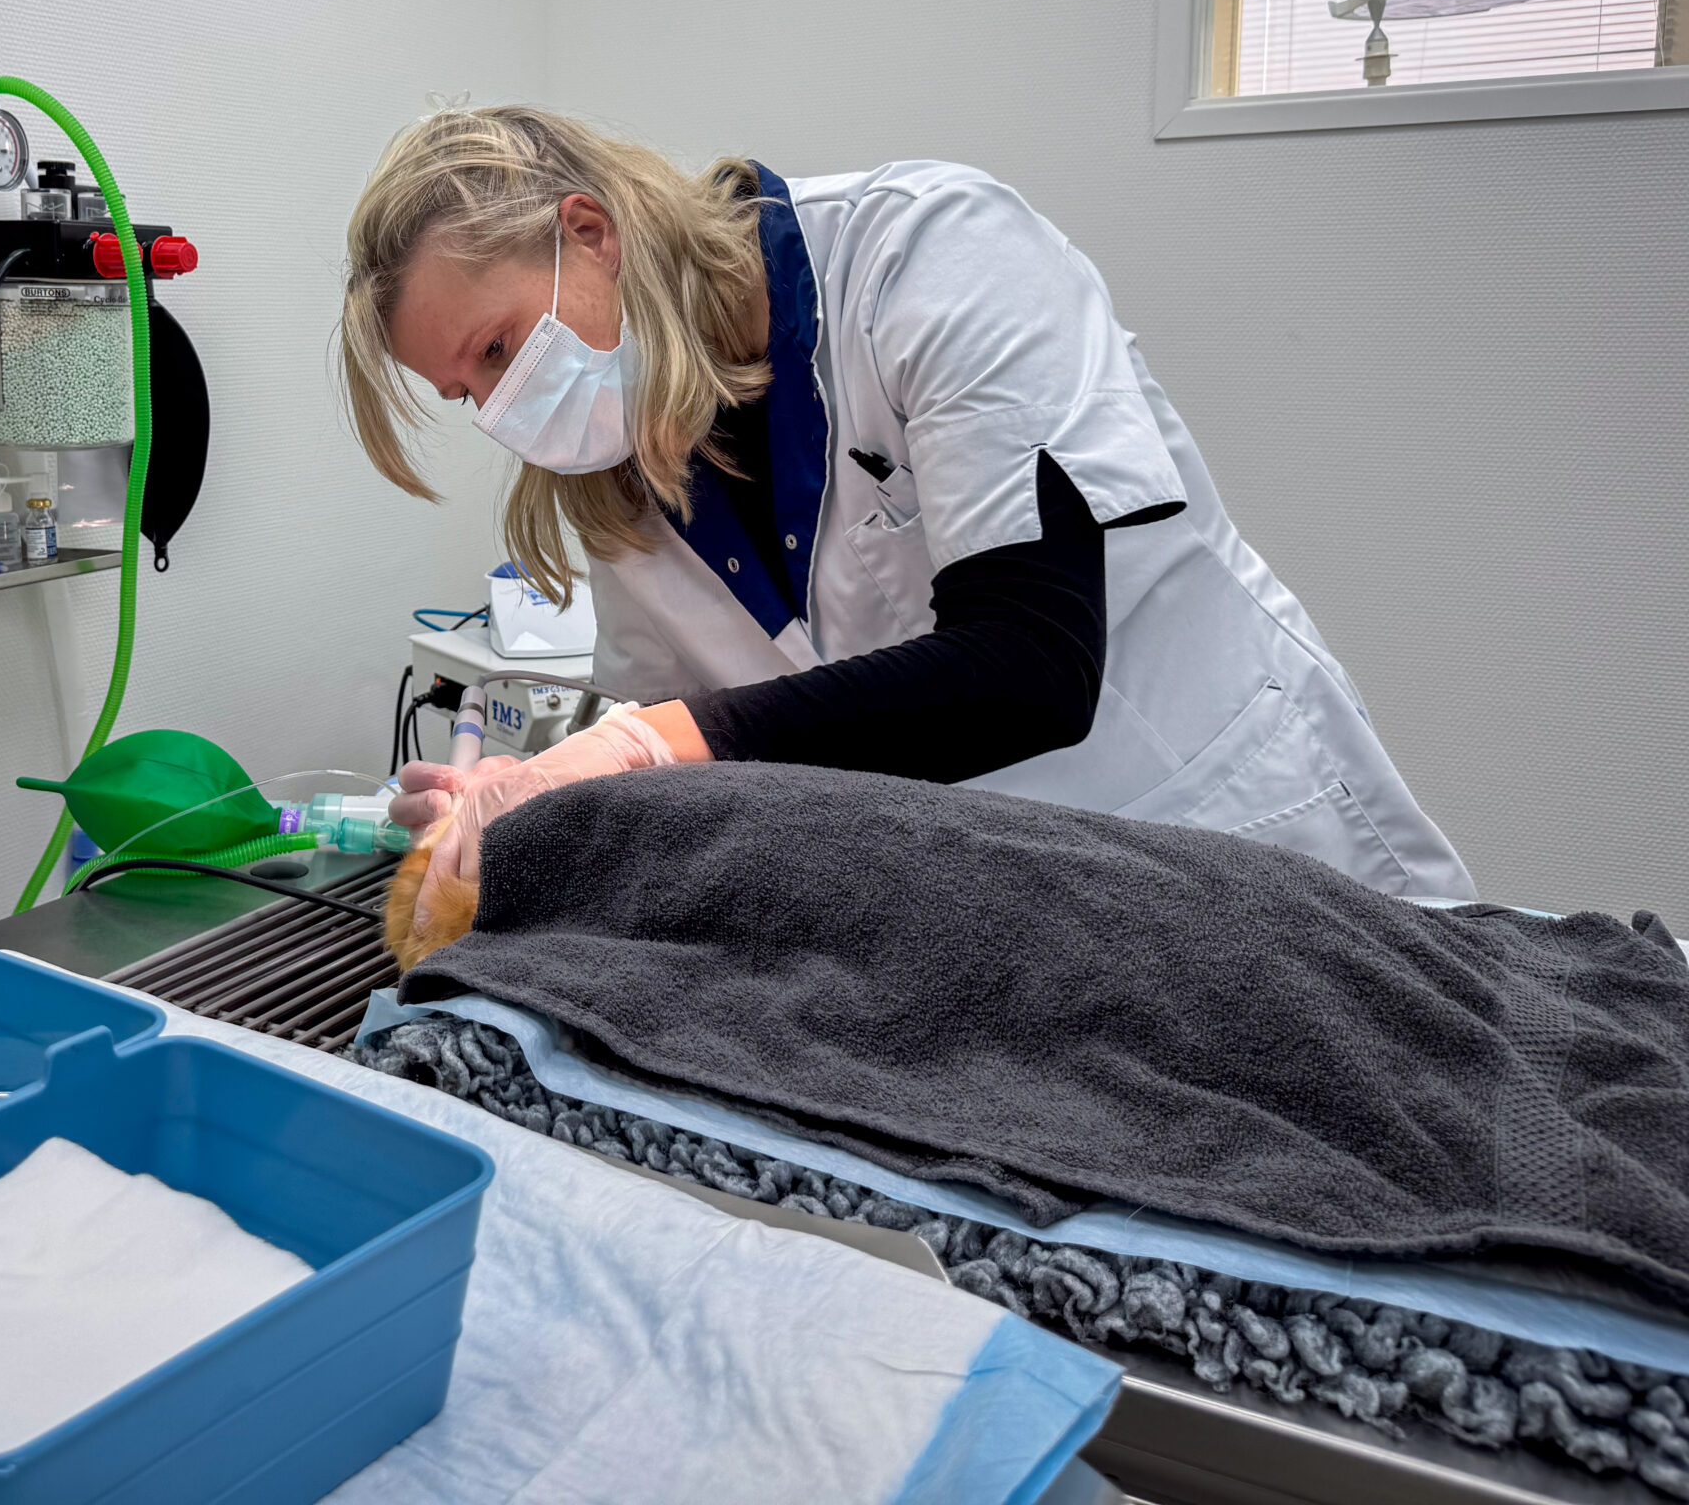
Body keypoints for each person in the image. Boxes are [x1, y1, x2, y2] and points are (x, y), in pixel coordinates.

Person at [338, 106, 1472, 929]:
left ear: (590, 233)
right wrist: (532, 800)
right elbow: (691, 753)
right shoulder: (623, 465)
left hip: (1230, 828)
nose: (504, 411)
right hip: (1010, 907)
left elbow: (1030, 665)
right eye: (467, 394)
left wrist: (639, 747)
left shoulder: (929, 255)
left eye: (498, 349)